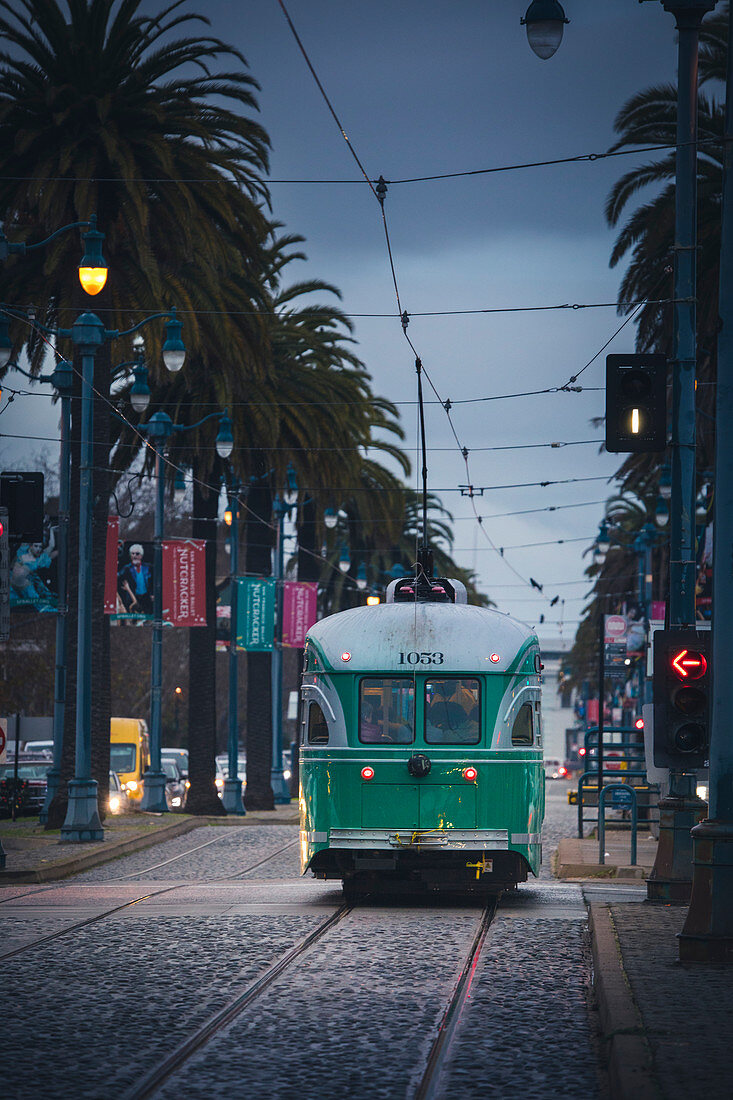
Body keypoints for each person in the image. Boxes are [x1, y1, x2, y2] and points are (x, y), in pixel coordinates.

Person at [118, 543, 153, 614]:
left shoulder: (148, 567)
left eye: (137, 554)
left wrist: (152, 593)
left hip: (146, 597)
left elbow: (153, 581)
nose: (134, 556)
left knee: (147, 616)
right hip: (133, 597)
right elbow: (118, 576)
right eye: (132, 554)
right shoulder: (126, 568)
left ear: (141, 556)